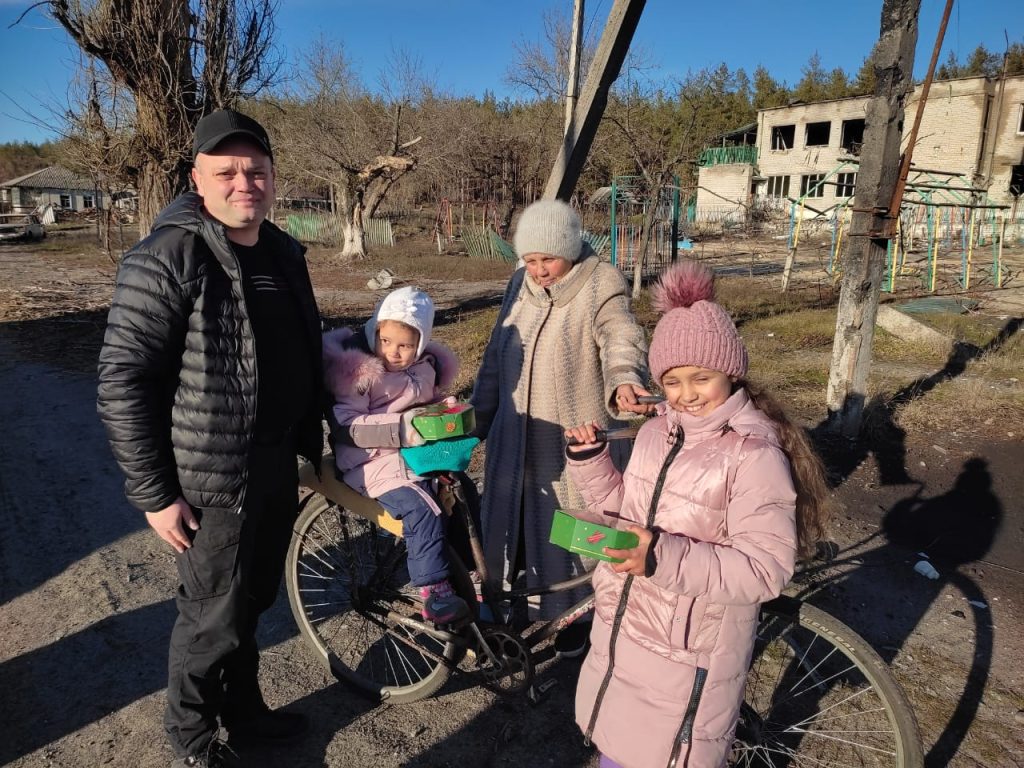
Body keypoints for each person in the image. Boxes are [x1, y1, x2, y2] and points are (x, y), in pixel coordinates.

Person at [97, 109, 323, 768]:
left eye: (255, 170)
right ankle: (191, 744)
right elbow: (122, 382)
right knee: (209, 617)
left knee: (252, 601)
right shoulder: (169, 255)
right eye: (226, 171)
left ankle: (244, 714)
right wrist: (155, 494)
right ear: (198, 179)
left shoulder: (283, 252)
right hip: (211, 478)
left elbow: (300, 351)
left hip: (277, 461)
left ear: (273, 177)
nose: (243, 182)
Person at [563, 260, 830, 768]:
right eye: (672, 381)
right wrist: (591, 462)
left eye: (701, 378)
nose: (686, 394)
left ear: (730, 371)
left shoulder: (751, 455)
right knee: (614, 749)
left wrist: (659, 556)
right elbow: (625, 518)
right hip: (624, 631)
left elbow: (764, 568)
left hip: (686, 656)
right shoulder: (654, 433)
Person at [471, 199, 651, 654]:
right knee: (514, 528)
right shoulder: (518, 284)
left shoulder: (600, 282)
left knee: (578, 532)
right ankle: (511, 607)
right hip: (514, 441)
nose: (538, 270)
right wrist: (479, 418)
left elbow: (620, 334)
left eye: (547, 259)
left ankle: (585, 618)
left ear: (569, 250)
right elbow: (496, 354)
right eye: (529, 260)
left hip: (573, 441)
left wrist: (625, 377)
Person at [322, 286, 469, 623]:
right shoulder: (360, 372)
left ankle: (469, 574)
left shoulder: (424, 368)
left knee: (461, 494)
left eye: (405, 345)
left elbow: (424, 406)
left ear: (420, 345)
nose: (392, 352)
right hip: (368, 461)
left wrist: (441, 413)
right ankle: (433, 591)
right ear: (375, 331)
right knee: (423, 507)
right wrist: (404, 427)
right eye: (385, 340)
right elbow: (348, 425)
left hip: (413, 455)